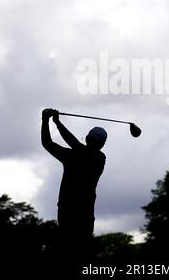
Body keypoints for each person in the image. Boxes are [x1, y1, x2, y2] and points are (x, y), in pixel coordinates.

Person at [41, 108, 107, 262]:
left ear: (87, 138)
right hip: (84, 214)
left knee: (66, 253)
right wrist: (54, 122)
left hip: (67, 212)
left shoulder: (85, 156)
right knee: (82, 254)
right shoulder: (99, 158)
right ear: (102, 144)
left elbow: (47, 143)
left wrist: (49, 121)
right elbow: (72, 145)